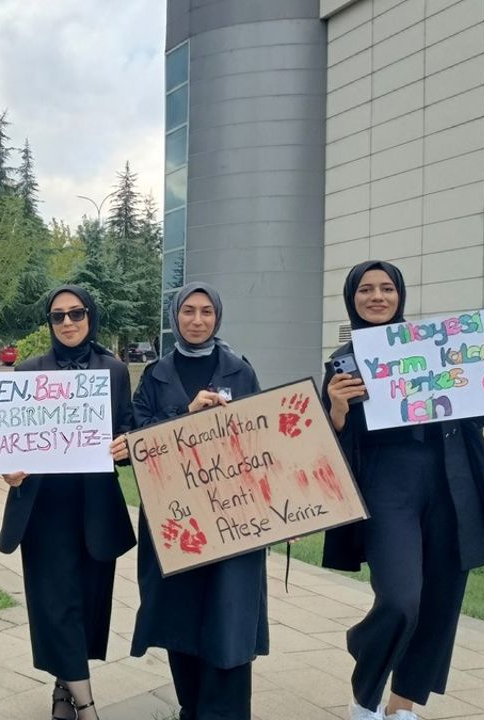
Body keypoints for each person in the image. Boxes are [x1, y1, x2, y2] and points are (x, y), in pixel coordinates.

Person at [322, 261, 484, 720]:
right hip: (387, 492)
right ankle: (364, 691)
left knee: (440, 601)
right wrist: (336, 409)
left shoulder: (440, 349)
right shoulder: (342, 365)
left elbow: (474, 412)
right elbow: (326, 445)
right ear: (351, 298)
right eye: (365, 289)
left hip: (452, 488)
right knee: (399, 600)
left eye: (387, 288)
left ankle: (401, 706)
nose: (377, 297)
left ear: (400, 295)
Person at [0, 285, 136, 720]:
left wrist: (127, 445)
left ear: (90, 316)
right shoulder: (29, 372)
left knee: (86, 606)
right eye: (58, 316)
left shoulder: (114, 371)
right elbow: (7, 443)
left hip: (94, 508)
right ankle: (88, 706)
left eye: (76, 313)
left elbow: (128, 430)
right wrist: (8, 467)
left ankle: (64, 689)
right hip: (43, 511)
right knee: (56, 606)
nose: (68, 322)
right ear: (50, 323)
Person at [130, 281, 267, 720]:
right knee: (180, 615)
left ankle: (224, 712)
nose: (196, 320)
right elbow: (137, 440)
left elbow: (261, 439)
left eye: (206, 312)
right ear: (175, 317)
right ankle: (192, 705)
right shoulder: (155, 375)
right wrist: (185, 417)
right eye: (188, 311)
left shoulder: (240, 371)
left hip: (232, 518)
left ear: (218, 317)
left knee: (230, 614)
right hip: (176, 518)